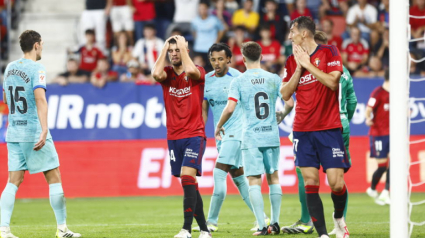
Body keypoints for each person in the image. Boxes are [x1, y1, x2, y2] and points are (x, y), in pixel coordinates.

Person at [1, 30, 81, 238]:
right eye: (42, 44)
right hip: (32, 130)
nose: (42, 48)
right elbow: (40, 100)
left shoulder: (9, 68)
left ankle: (3, 229)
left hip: (13, 131)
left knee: (14, 180)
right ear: (36, 45)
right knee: (54, 176)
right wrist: (44, 128)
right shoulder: (38, 68)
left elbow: (6, 99)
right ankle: (62, 229)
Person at [280, 30, 357, 236]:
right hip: (302, 130)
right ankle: (320, 232)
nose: (289, 37)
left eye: (292, 32)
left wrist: (308, 64)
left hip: (331, 128)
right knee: (309, 182)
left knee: (337, 183)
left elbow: (335, 86)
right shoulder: (291, 60)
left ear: (304, 34)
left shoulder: (332, 55)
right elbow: (285, 94)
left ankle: (339, 217)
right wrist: (299, 67)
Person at [215, 41, 294, 236]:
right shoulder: (273, 78)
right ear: (261, 56)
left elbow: (231, 107)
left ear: (242, 58)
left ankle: (261, 226)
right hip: (271, 135)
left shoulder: (239, 81)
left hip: (251, 137)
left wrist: (219, 125)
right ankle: (275, 223)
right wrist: (281, 115)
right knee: (274, 177)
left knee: (254, 180)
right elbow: (290, 103)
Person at [192, 43, 272, 233]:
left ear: (229, 59)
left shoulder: (238, 78)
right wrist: (200, 132)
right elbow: (204, 109)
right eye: (213, 59)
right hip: (221, 136)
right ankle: (264, 218)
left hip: (237, 134)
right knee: (239, 178)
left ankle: (210, 221)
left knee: (218, 173)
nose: (217, 63)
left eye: (221, 59)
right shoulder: (207, 80)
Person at [151, 35, 211, 238]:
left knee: (187, 177)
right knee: (189, 183)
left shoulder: (199, 71)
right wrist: (163, 49)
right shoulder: (167, 73)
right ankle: (204, 230)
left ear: (185, 50)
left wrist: (183, 48)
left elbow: (192, 71)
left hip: (194, 133)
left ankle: (186, 229)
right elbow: (155, 74)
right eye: (171, 51)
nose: (174, 54)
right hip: (173, 135)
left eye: (177, 50)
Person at [365, 69, 390, 206]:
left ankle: (386, 192)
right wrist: (368, 118)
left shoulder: (398, 93)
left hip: (393, 133)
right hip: (379, 134)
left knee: (394, 163)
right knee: (382, 166)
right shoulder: (378, 93)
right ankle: (373, 188)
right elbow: (368, 110)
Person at [192, 1, 225, 72]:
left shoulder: (214, 20)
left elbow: (222, 30)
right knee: (198, 69)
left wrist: (217, 40)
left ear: (207, 9)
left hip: (210, 49)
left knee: (211, 70)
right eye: (200, 8)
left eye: (204, 8)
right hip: (198, 48)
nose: (202, 10)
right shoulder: (195, 21)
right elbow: (194, 31)